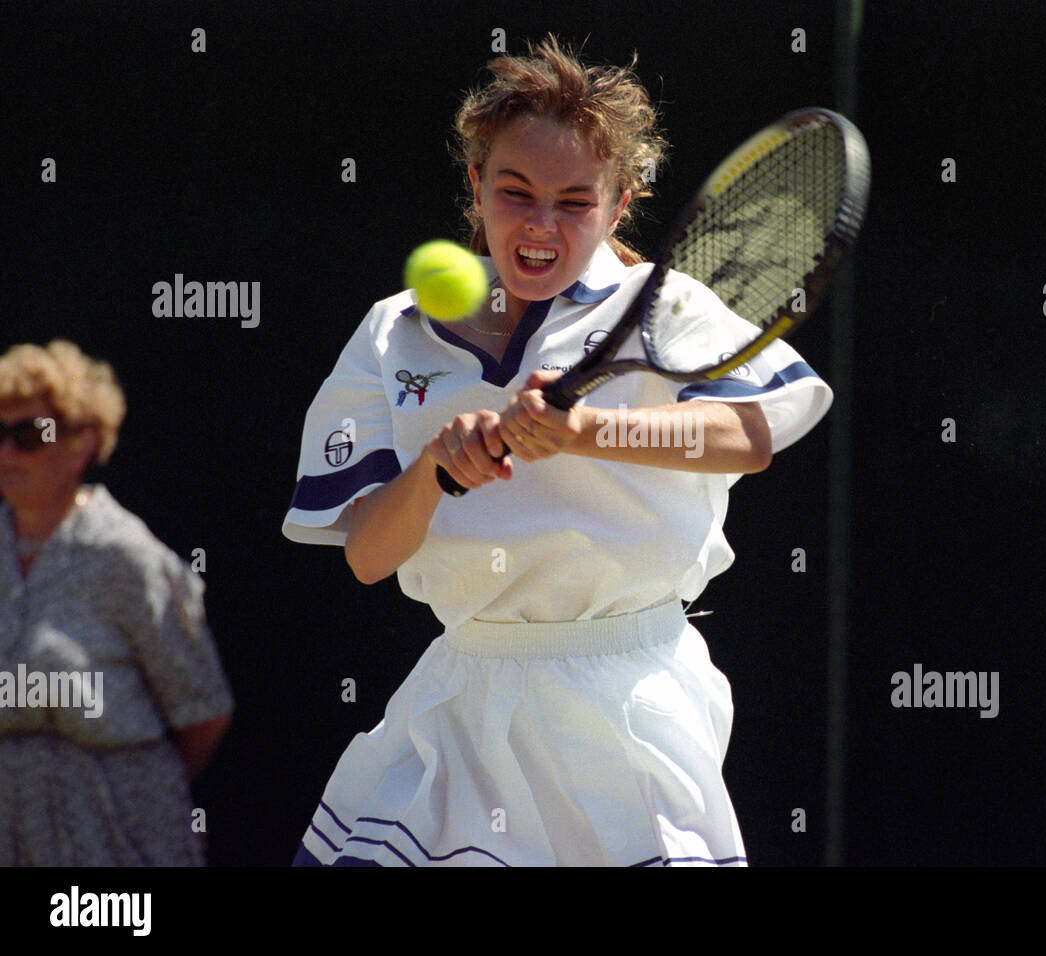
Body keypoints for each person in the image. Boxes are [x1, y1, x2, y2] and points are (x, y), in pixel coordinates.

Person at [283, 36, 831, 866]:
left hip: (631, 700)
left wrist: (586, 432)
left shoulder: (670, 306)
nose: (541, 223)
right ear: (475, 186)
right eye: (516, 192)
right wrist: (433, 469)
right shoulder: (392, 330)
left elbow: (752, 436)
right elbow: (366, 555)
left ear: (620, 206)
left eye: (576, 201)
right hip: (459, 702)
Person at [0, 340, 233, 866]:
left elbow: (203, 710)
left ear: (82, 442)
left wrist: (101, 785)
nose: (7, 453)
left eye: (28, 434)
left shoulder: (125, 556)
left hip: (119, 844)